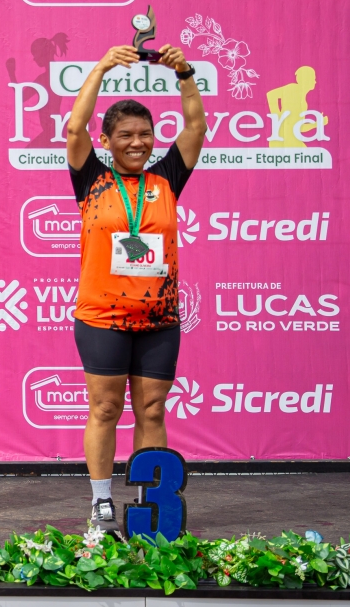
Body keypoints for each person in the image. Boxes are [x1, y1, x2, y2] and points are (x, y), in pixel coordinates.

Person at [64, 43, 205, 537]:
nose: (137, 142)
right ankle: (102, 504)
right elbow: (74, 129)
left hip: (159, 320)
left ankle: (149, 507)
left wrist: (183, 73)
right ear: (107, 140)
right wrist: (102, 67)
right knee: (105, 409)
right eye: (125, 134)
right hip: (102, 318)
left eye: (145, 134)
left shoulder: (166, 179)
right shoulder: (92, 179)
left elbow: (195, 127)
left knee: (152, 409)